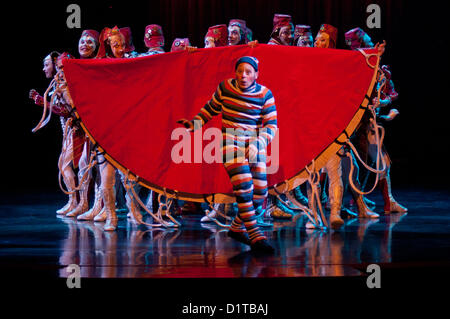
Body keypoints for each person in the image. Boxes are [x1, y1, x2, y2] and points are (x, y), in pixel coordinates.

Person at [177, 56, 276, 253]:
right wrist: (194, 124)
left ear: (256, 74)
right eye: (240, 71)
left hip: (255, 145)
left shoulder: (265, 94)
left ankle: (237, 227)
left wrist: (259, 142)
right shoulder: (225, 88)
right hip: (231, 143)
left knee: (260, 193)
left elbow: (272, 125)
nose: (243, 75)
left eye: (248, 72)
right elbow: (210, 109)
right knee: (245, 186)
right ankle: (256, 235)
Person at [345, 28, 407, 214]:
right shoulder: (352, 69)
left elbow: (388, 93)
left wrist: (382, 103)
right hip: (354, 125)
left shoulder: (377, 68)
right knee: (356, 164)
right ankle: (358, 202)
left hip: (370, 122)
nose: (371, 44)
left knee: (378, 161)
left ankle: (385, 201)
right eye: (366, 42)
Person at [65, 29, 100, 218]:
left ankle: (101, 207)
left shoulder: (97, 67)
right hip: (81, 125)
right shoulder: (74, 67)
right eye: (82, 41)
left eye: (89, 42)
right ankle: (83, 203)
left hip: (97, 125)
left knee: (96, 166)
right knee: (84, 165)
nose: (84, 44)